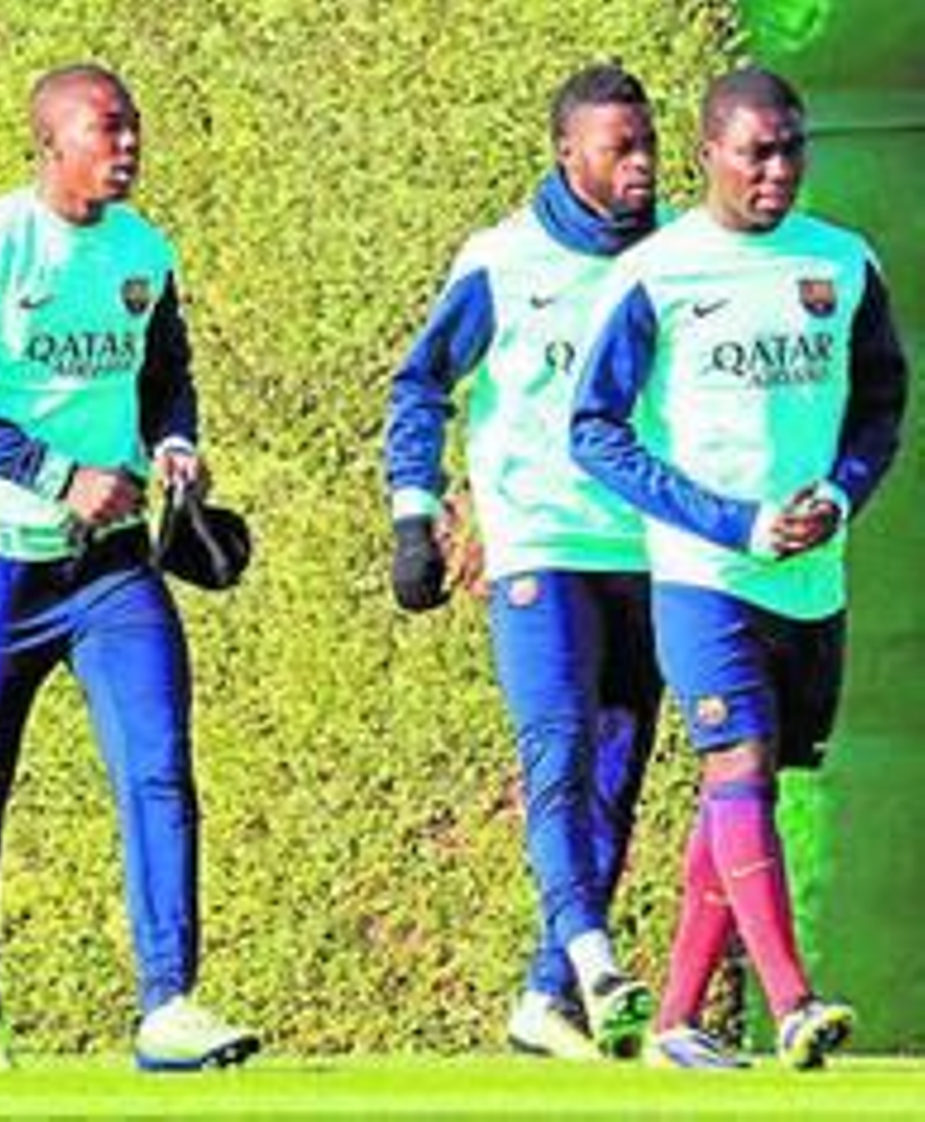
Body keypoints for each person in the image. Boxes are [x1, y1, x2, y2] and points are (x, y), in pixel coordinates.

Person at [0, 63, 260, 1074]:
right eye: (108, 128)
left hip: (107, 570)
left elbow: (166, 377)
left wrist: (176, 444)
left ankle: (169, 1004)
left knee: (158, 768)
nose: (129, 144)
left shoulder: (144, 252)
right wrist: (58, 474)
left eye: (134, 126)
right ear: (51, 141)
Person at [571, 66, 908, 1071]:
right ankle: (792, 999)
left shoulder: (842, 264)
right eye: (755, 150)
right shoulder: (656, 274)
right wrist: (731, 522)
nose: (776, 169)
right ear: (708, 151)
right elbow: (594, 431)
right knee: (737, 766)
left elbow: (880, 409)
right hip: (702, 575)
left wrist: (838, 497)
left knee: (746, 791)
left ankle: (675, 1020)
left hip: (813, 579)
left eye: (791, 148)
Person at [383, 63, 666, 1061]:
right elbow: (419, 386)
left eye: (648, 144)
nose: (640, 164)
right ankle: (596, 963)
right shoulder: (501, 260)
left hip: (647, 549)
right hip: (536, 543)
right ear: (565, 152)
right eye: (618, 147)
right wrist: (413, 515)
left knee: (617, 776)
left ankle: (545, 1000)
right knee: (556, 750)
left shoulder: (678, 257)